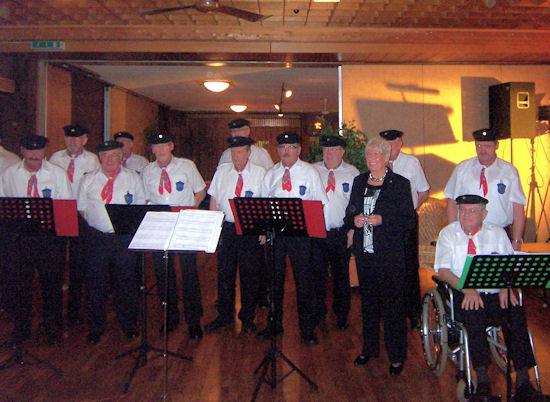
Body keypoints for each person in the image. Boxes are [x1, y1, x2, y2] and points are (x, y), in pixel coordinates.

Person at [434, 194, 548, 402]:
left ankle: (523, 381)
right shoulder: (448, 234)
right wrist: (467, 289)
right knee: (473, 314)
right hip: (462, 292)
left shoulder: (497, 233)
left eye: (472, 210)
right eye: (462, 210)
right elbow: (443, 271)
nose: (466, 214)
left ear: (484, 214)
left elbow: (510, 266)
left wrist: (506, 287)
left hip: (495, 293)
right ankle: (483, 381)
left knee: (516, 312)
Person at [344, 137, 415, 376]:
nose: (372, 159)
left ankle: (396, 356)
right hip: (365, 253)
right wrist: (353, 220)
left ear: (386, 157)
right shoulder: (359, 181)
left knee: (393, 306)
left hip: (389, 256)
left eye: (376, 154)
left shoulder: (400, 183)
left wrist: (383, 220)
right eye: (369, 154)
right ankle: (369, 348)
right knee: (368, 304)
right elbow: (349, 212)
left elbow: (408, 220)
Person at [0, 134, 72, 346]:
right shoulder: (8, 174)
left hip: (49, 239)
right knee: (20, 285)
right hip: (20, 239)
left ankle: (53, 328)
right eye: (29, 150)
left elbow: (66, 205)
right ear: (22, 150)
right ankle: (21, 329)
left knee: (51, 285)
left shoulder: (57, 174)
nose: (33, 154)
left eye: (38, 150)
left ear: (44, 151)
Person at [257, 132, 327, 345]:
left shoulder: (310, 172)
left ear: (299, 150)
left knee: (304, 282)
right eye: (282, 147)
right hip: (276, 235)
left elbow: (320, 203)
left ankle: (307, 328)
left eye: (291, 147)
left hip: (301, 236)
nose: (286, 151)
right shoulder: (271, 173)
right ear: (278, 150)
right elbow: (262, 203)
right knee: (274, 281)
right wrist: (263, 231)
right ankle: (274, 324)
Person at [77, 140, 144, 344]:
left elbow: (140, 205)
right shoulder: (88, 179)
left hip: (123, 238)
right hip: (97, 238)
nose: (109, 160)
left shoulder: (133, 178)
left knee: (126, 282)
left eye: (114, 155)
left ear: (121, 157)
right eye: (105, 156)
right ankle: (95, 327)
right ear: (99, 158)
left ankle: (128, 324)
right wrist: (98, 225)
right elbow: (82, 208)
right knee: (95, 284)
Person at [141, 132, 206, 339]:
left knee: (189, 272)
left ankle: (193, 320)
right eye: (156, 146)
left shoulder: (186, 166)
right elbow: (144, 199)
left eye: (164, 145)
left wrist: (190, 209)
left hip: (184, 224)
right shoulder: (147, 171)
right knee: (163, 273)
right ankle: (170, 316)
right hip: (159, 226)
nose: (160, 150)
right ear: (152, 150)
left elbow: (200, 190)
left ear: (172, 146)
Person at [205, 136, 266, 334]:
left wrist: (263, 230)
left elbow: (265, 202)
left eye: (240, 152)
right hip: (228, 228)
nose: (236, 156)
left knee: (250, 275)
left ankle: (247, 317)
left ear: (249, 153)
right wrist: (214, 227)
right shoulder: (222, 171)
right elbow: (214, 198)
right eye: (233, 152)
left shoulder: (260, 173)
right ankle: (224, 315)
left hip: (250, 228)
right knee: (225, 274)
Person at [379, 129, 430, 330]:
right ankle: (387, 311)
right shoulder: (377, 161)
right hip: (382, 224)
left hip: (405, 222)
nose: (390, 147)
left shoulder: (411, 163)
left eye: (393, 142)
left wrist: (411, 209)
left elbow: (424, 190)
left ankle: (413, 313)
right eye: (386, 143)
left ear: (400, 143)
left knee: (409, 267)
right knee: (385, 267)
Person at [444, 128, 526, 251]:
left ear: (496, 146)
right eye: (479, 146)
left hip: (500, 234)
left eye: (487, 146)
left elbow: (518, 207)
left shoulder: (509, 171)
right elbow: (451, 201)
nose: (482, 150)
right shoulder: (462, 169)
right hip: (468, 234)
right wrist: (453, 232)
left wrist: (517, 239)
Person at [50, 124, 100, 325]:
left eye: (77, 138)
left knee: (78, 264)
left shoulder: (93, 160)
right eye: (69, 138)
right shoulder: (55, 159)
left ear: (85, 140)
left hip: (81, 215)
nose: (72, 141)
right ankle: (54, 312)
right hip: (59, 213)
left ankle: (74, 311)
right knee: (56, 263)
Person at [312, 135, 359, 330]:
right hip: (317, 232)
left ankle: (341, 315)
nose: (329, 153)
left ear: (342, 152)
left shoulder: (352, 173)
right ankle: (318, 312)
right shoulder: (313, 170)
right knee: (317, 275)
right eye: (326, 150)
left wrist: (352, 231)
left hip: (341, 233)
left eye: (333, 150)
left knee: (341, 276)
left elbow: (357, 205)